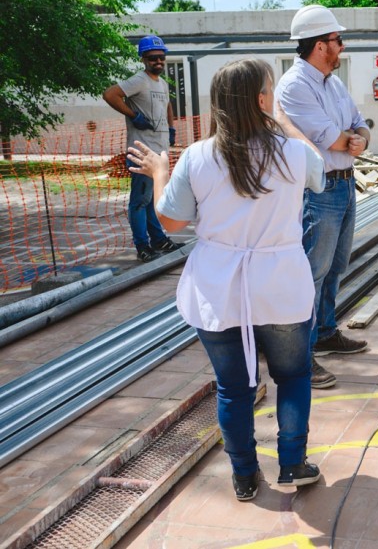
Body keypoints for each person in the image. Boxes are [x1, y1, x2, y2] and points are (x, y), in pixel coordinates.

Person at [127, 59, 325, 502]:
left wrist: (161, 174)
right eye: (269, 94)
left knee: (233, 387)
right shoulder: (293, 153)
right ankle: (292, 463)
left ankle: (244, 475)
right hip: (281, 285)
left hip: (220, 286)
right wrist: (284, 124)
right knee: (292, 376)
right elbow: (318, 173)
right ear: (260, 100)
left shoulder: (199, 156)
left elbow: (171, 222)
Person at [276, 5, 370, 389]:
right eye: (337, 40)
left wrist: (358, 137)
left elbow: (359, 125)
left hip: (344, 183)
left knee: (335, 266)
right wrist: (351, 139)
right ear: (319, 45)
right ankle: (300, 354)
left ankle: (326, 331)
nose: (342, 46)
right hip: (319, 189)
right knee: (310, 274)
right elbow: (334, 139)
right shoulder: (296, 86)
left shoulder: (332, 82)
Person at [102, 35, 181, 262]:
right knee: (139, 202)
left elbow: (168, 105)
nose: (158, 61)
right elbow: (110, 94)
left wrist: (171, 127)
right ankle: (142, 246)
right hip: (142, 152)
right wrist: (133, 115)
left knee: (150, 200)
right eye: (153, 58)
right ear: (144, 59)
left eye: (161, 58)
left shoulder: (162, 83)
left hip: (159, 150)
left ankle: (158, 240)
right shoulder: (139, 80)